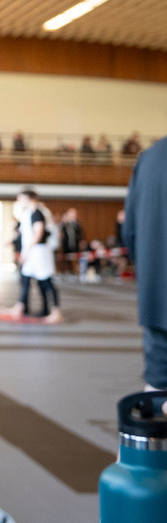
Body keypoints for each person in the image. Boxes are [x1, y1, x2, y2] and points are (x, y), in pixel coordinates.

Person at [122, 136, 167, 393]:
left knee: (158, 390)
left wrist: (151, 270)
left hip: (157, 300)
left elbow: (129, 232)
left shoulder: (149, 158)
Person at [8, 190, 62, 323]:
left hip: (39, 251)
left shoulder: (38, 212)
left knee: (46, 280)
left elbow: (38, 232)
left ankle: (56, 311)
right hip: (32, 251)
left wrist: (26, 251)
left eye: (21, 199)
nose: (20, 202)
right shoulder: (28, 213)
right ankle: (21, 306)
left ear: (29, 198)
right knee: (25, 277)